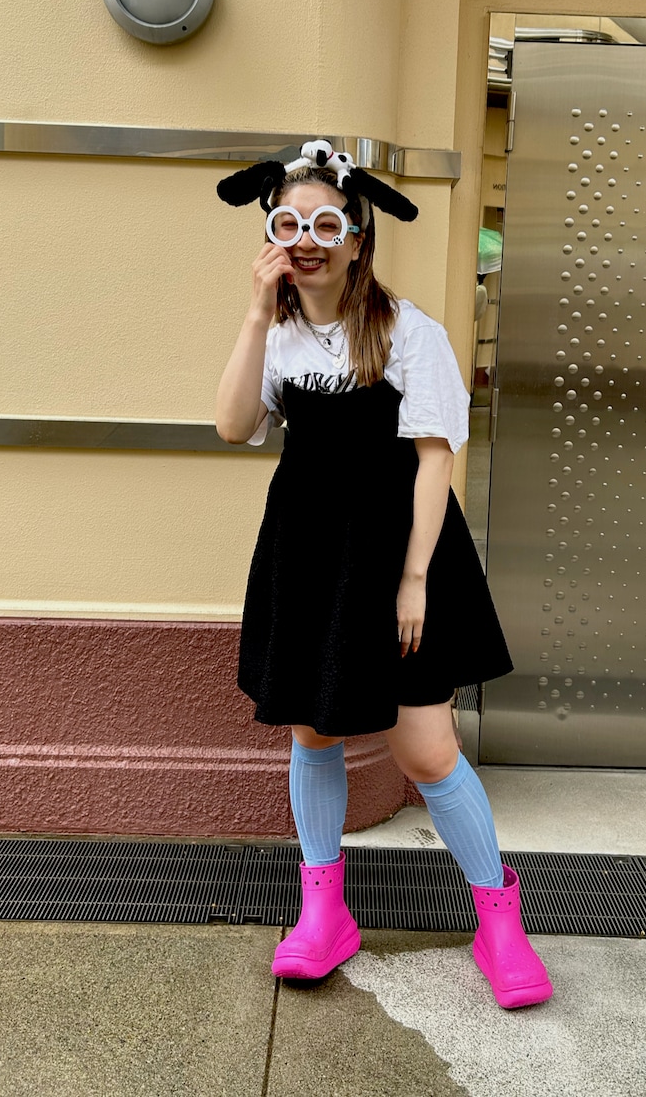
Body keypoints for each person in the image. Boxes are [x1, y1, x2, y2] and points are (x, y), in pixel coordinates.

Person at [215, 141, 552, 1010]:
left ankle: (499, 922)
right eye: (289, 224)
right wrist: (254, 313)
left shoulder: (410, 331)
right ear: (270, 235)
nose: (307, 241)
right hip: (306, 552)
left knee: (428, 748)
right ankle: (323, 914)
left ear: (358, 237)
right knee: (312, 732)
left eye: (326, 225)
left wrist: (414, 579)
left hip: (398, 552)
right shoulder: (278, 333)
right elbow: (233, 425)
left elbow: (435, 458)